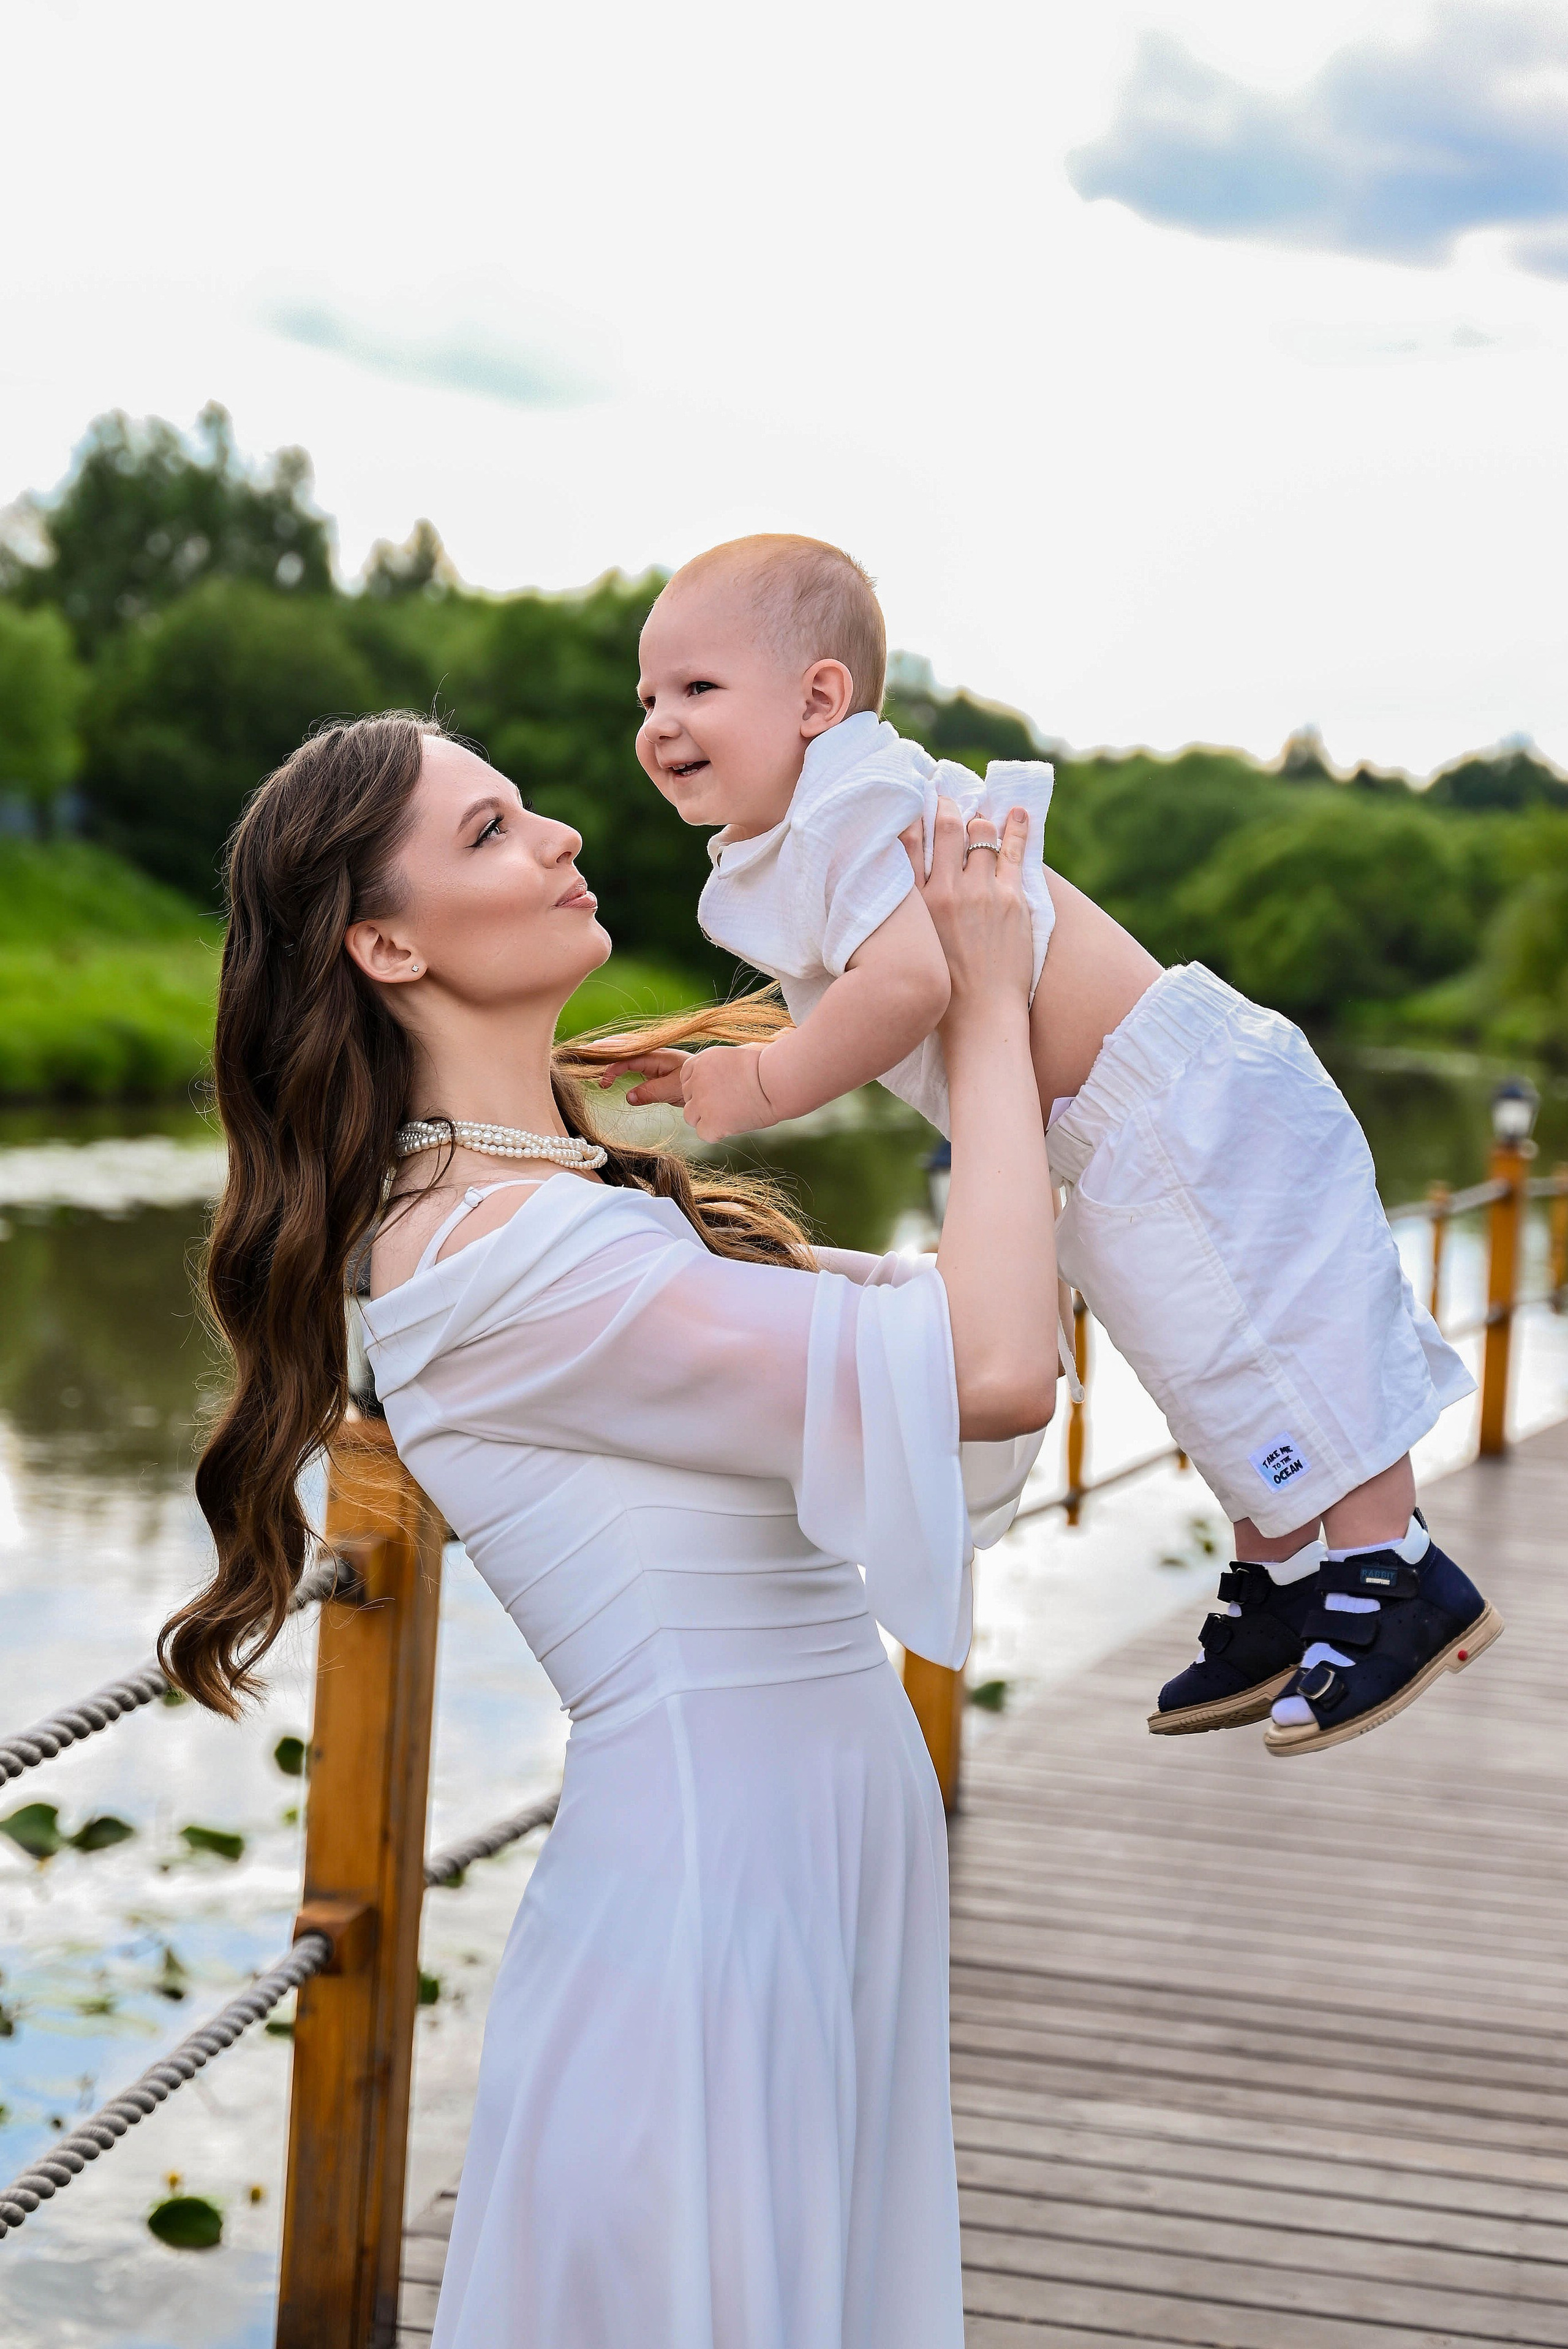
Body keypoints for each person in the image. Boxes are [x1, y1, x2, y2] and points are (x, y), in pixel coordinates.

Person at [159, 710, 1058, 2349]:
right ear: (385, 943)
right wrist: (990, 1008)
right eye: (493, 831)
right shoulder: (507, 1266)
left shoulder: (571, 1209)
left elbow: (966, 1316)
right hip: (713, 1896)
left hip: (802, 1861)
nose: (565, 833)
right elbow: (994, 1371)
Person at [614, 534, 1502, 1757]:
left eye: (696, 690)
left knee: (1273, 1340)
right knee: (1204, 1365)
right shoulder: (815, 829)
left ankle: (1392, 1568)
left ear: (819, 699)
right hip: (1124, 1129)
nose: (660, 722)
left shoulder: (853, 807)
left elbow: (912, 984)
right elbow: (872, 986)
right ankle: (1286, 1580)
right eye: (647, 699)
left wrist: (759, 1081)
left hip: (1178, 1103)